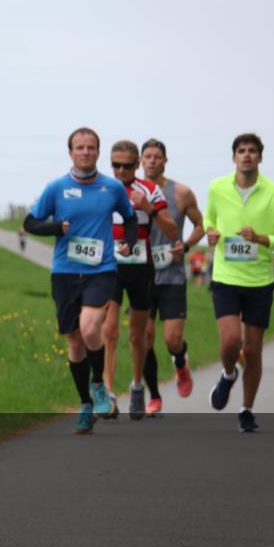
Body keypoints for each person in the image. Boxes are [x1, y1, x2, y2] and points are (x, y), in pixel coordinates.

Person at [25, 127, 138, 433]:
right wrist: (55, 229)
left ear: (98, 152)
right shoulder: (56, 188)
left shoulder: (112, 188)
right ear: (71, 152)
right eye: (80, 147)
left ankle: (99, 385)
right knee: (75, 341)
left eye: (91, 147)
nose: (85, 152)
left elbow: (130, 218)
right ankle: (85, 404)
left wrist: (129, 241)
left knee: (90, 328)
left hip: (101, 270)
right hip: (64, 272)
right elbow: (30, 222)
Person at [205, 133, 274, 432]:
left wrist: (260, 238)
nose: (246, 155)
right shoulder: (218, 188)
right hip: (226, 277)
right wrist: (211, 233)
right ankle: (228, 373)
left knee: (254, 350)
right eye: (241, 151)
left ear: (260, 157)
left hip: (259, 281)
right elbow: (210, 220)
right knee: (231, 341)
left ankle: (246, 409)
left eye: (252, 151)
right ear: (233, 157)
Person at [101, 141, 178, 420]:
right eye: (116, 165)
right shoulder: (103, 189)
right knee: (109, 331)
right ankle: (108, 394)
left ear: (137, 165)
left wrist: (149, 208)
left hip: (141, 268)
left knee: (138, 335)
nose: (121, 170)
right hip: (110, 267)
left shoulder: (150, 189)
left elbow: (171, 230)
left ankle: (136, 385)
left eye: (127, 165)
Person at [140, 139, 206, 415]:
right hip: (140, 275)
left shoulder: (180, 193)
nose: (152, 161)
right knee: (143, 339)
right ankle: (154, 396)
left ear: (165, 161)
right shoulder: (130, 191)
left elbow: (201, 226)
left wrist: (186, 245)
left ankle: (180, 362)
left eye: (157, 156)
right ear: (141, 161)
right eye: (148, 156)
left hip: (172, 274)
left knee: (171, 340)